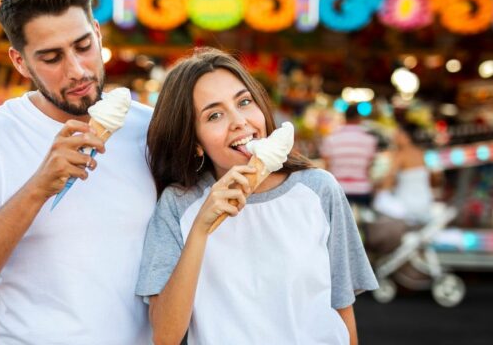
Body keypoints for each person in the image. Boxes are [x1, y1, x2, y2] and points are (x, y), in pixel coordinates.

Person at [0, 0, 156, 343]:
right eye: (51, 58)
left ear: (97, 32)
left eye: (83, 46)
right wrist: (38, 186)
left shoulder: (152, 130)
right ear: (20, 62)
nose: (77, 70)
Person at [136, 48, 377, 345]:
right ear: (195, 142)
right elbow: (165, 336)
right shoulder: (179, 204)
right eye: (214, 115)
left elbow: (341, 311)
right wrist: (200, 229)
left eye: (244, 102)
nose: (239, 121)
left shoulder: (318, 190)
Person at [373, 124, 434, 226]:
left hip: (407, 206)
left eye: (398, 134)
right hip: (426, 204)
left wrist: (378, 189)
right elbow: (434, 178)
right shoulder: (422, 153)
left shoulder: (400, 155)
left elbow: (389, 179)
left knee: (380, 199)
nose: (394, 137)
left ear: (406, 137)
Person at [320, 103, 378, 208]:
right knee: (362, 223)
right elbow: (369, 168)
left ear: (344, 117)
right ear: (359, 118)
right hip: (362, 189)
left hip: (338, 189)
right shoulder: (369, 140)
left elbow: (327, 167)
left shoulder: (331, 139)